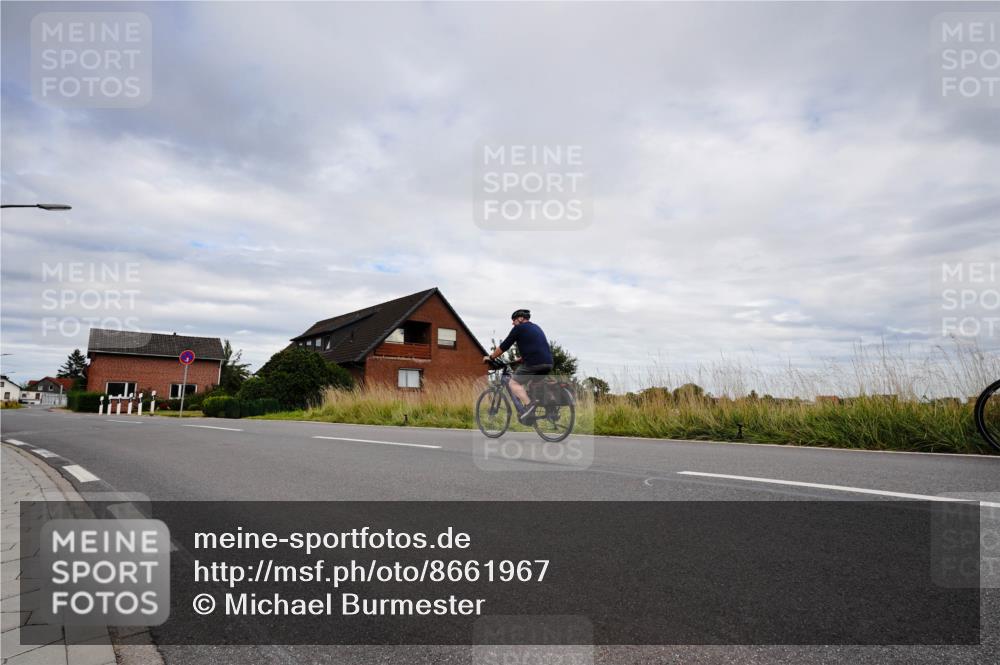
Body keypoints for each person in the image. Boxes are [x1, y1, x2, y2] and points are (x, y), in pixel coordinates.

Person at [485, 309, 553, 422]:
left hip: (534, 363)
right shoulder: (536, 327)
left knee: (513, 382)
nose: (513, 323)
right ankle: (545, 411)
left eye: (514, 320)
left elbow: (504, 346)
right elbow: (536, 346)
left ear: (521, 319)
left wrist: (491, 357)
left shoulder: (519, 328)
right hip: (548, 363)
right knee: (533, 386)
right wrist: (521, 359)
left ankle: (529, 406)